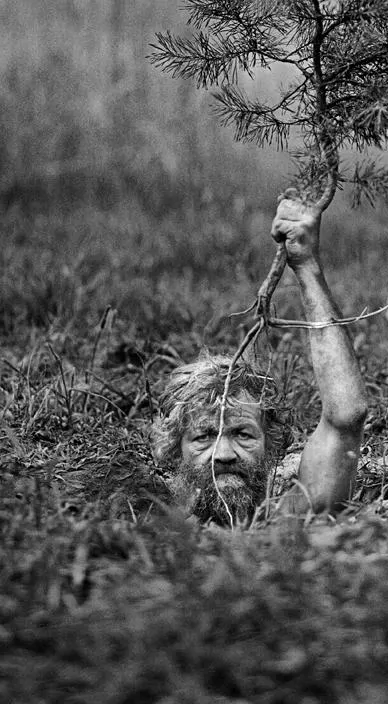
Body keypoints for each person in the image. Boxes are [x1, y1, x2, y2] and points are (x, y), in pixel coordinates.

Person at [150, 190, 368, 525]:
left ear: (271, 444)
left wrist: (307, 266)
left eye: (243, 434)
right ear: (173, 449)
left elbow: (345, 417)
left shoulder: (288, 517)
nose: (223, 454)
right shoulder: (145, 517)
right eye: (204, 436)